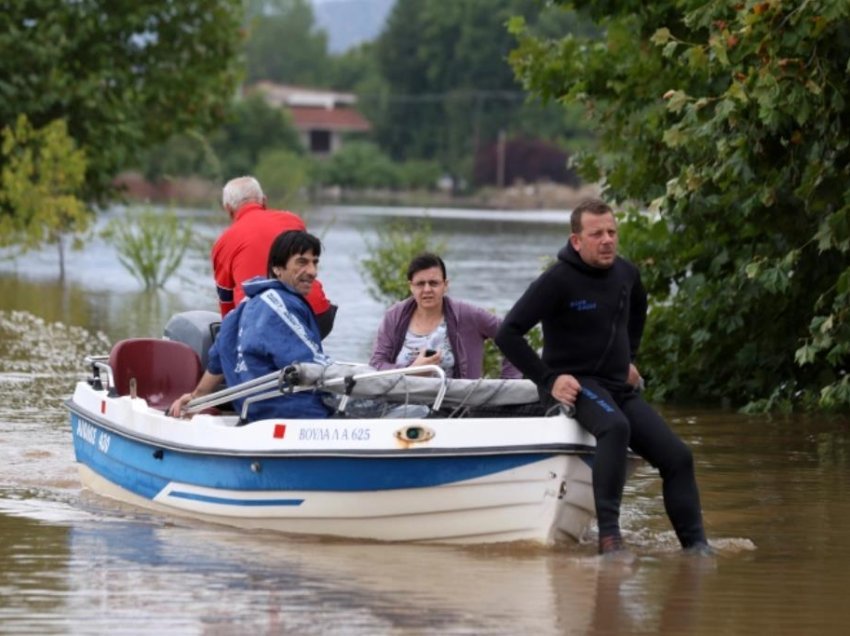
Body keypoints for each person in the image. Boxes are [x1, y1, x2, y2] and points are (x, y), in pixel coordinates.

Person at [494, 198, 710, 557]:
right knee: (615, 427)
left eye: (612, 232)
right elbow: (508, 333)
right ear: (577, 240)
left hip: (615, 386)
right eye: (597, 234)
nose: (607, 239)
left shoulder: (627, 274)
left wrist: (631, 358)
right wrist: (548, 380)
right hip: (574, 385)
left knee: (679, 457)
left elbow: (638, 311)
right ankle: (609, 540)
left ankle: (697, 548)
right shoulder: (557, 280)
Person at [170, 230, 331, 421]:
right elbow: (312, 365)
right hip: (295, 414)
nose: (313, 272)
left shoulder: (246, 303)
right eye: (302, 262)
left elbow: (220, 356)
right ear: (278, 268)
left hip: (255, 414)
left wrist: (197, 397)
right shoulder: (280, 305)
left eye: (315, 262)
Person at [212, 175, 337, 338]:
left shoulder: (223, 242)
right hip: (318, 315)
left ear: (228, 209)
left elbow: (226, 303)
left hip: (264, 323)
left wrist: (230, 340)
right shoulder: (293, 220)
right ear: (264, 200)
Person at [370, 252, 521, 380]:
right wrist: (412, 370)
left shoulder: (468, 315)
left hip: (454, 407)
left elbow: (512, 335)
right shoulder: (394, 316)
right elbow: (376, 364)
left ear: (445, 285)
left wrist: (507, 382)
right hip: (399, 403)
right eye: (420, 284)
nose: (427, 289)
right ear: (411, 286)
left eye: (434, 283)